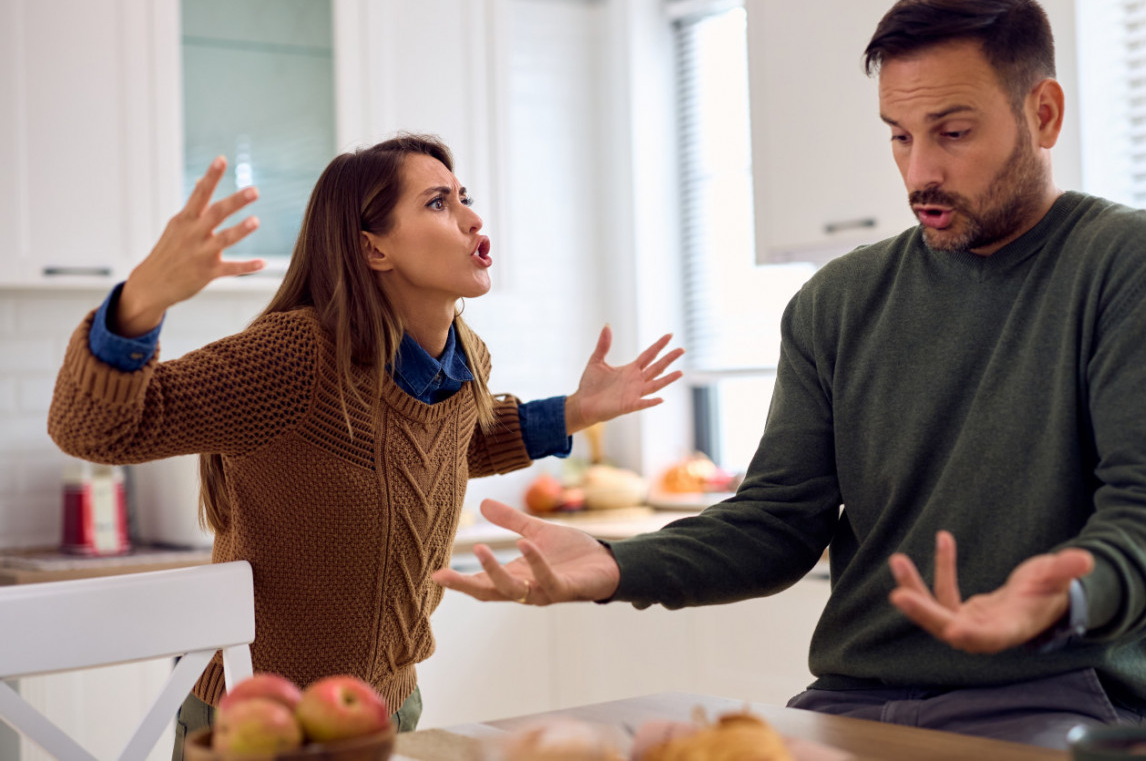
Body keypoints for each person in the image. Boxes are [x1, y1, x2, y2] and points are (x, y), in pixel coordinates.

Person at [432, 0, 1146, 750]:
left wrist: (1069, 593)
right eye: (898, 135)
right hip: (852, 704)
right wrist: (615, 563)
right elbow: (776, 524)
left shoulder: (1132, 265)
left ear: (1043, 114)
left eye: (953, 133)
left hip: (1054, 699)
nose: (920, 172)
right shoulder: (839, 301)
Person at [46, 133, 683, 759]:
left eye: (464, 196)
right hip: (260, 716)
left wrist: (577, 410)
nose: (472, 216)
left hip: (392, 706)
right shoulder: (298, 356)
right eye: (438, 203)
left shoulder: (462, 358)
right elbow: (92, 428)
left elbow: (450, 443)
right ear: (373, 248)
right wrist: (142, 300)